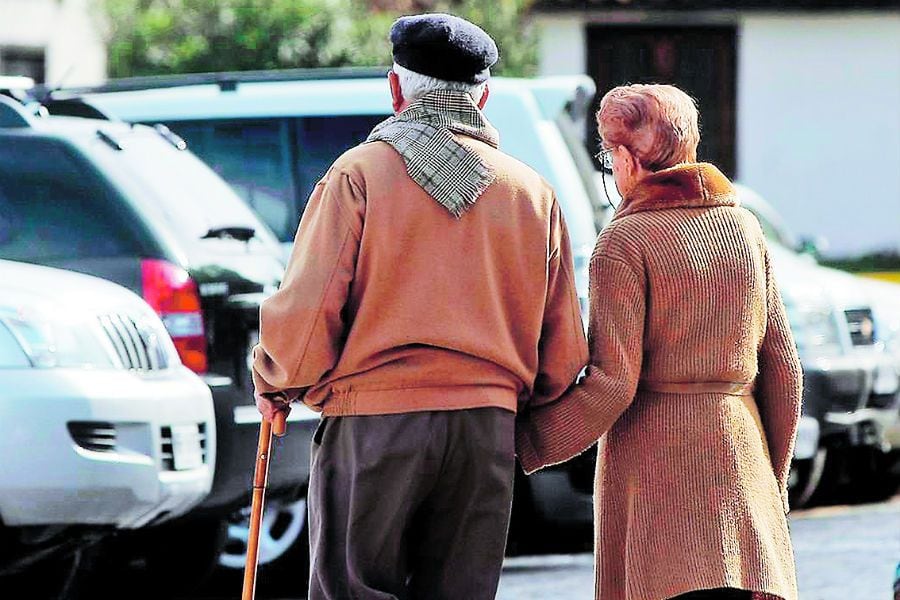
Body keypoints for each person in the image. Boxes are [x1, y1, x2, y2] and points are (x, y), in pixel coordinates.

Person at [252, 13, 588, 600]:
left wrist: (276, 379)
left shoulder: (359, 174)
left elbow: (307, 314)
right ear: (483, 96)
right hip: (486, 426)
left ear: (394, 87)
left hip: (375, 422)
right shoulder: (530, 191)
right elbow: (561, 346)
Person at [515, 84, 802, 600]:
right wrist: (770, 480)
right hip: (743, 460)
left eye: (608, 156)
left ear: (626, 158)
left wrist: (524, 444)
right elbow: (784, 368)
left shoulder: (624, 242)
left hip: (656, 476)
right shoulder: (744, 227)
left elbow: (612, 385)